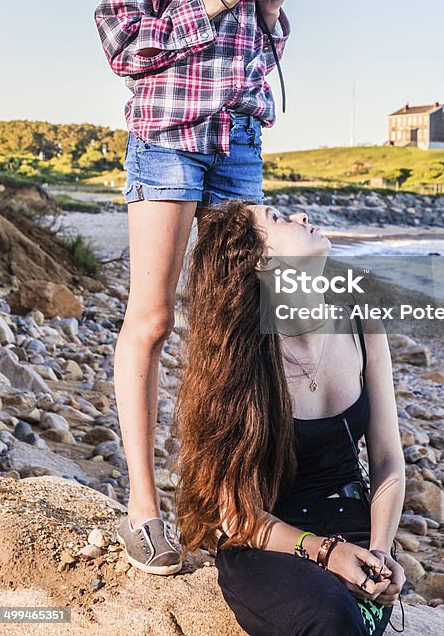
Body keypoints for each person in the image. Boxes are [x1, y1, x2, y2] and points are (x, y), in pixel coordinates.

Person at [93, 0, 293, 574]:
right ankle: (145, 506)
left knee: (238, 334)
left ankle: (224, 504)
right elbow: (124, 48)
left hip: (239, 141)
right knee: (153, 321)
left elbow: (253, 62)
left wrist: (270, 17)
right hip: (170, 140)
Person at [171, 200, 407, 636]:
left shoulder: (360, 321)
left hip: (353, 529)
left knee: (354, 607)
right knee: (328, 615)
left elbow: (389, 459)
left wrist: (380, 550)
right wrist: (324, 552)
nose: (302, 215)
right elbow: (233, 515)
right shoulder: (237, 361)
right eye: (278, 218)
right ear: (261, 260)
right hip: (269, 539)